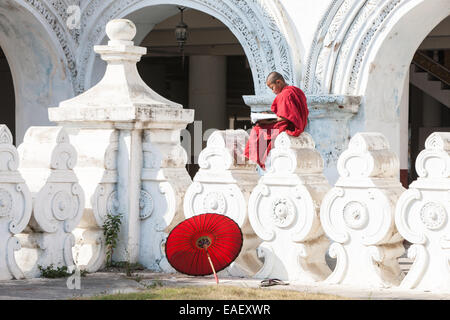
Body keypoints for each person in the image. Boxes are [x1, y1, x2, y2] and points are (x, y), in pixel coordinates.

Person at [244, 72, 309, 171]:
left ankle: (252, 159)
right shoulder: (296, 90)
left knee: (257, 130)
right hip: (298, 123)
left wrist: (267, 121)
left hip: (290, 126)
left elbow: (285, 117)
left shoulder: (285, 94)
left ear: (278, 82)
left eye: (272, 88)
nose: (273, 91)